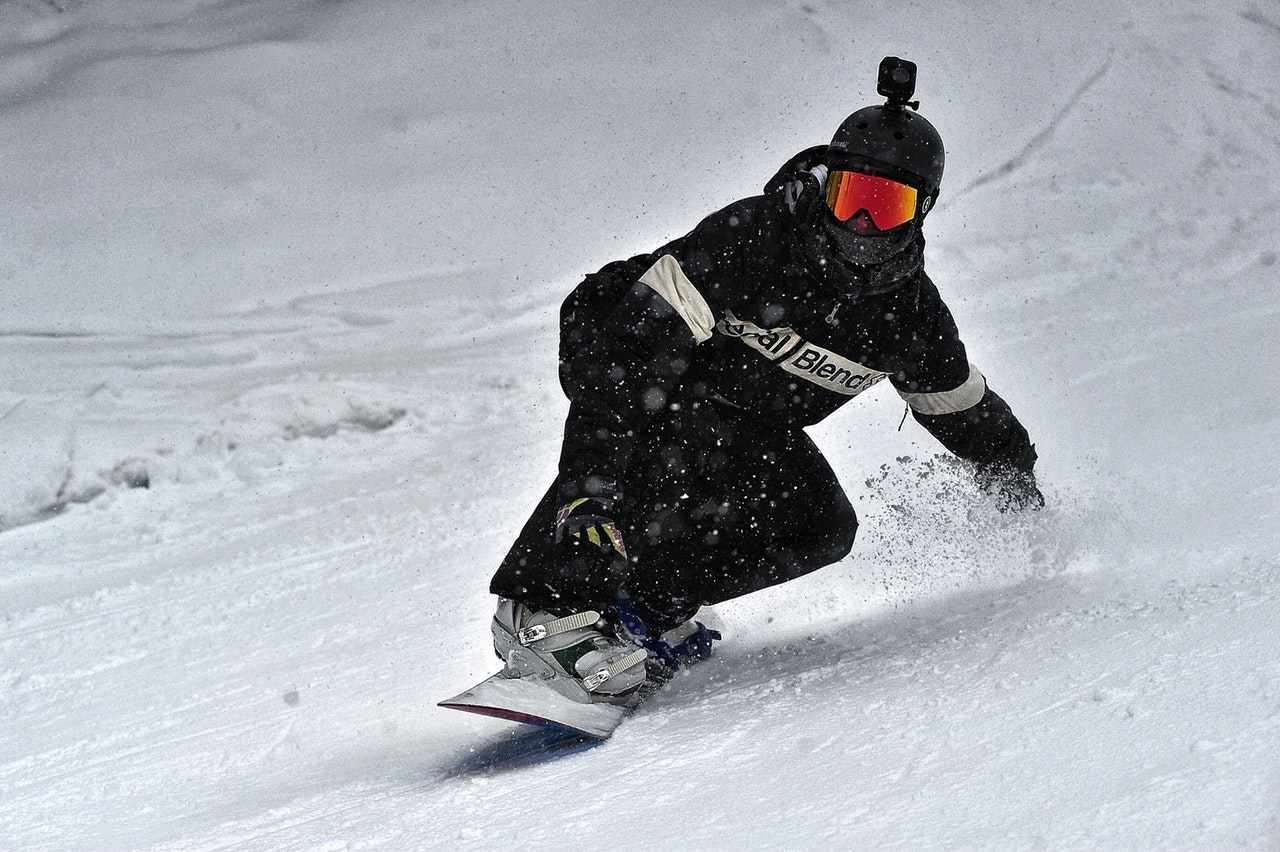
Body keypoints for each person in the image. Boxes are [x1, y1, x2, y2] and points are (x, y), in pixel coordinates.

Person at [486, 57, 1042, 704]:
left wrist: (1019, 489)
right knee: (670, 427)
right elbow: (632, 358)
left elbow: (962, 409)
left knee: (819, 523)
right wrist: (587, 495)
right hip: (625, 337)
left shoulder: (908, 321)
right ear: (826, 186)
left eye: (884, 206)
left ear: (923, 214)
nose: (860, 224)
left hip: (738, 405)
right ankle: (543, 609)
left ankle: (645, 614)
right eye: (849, 196)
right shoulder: (755, 240)